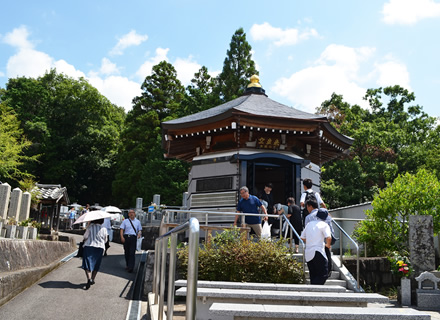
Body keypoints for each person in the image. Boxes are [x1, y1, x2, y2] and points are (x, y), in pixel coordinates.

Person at [300, 208, 332, 285]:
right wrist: (327, 245)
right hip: (318, 251)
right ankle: (315, 288)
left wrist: (311, 241)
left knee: (313, 274)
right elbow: (328, 237)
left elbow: (302, 237)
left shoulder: (309, 224)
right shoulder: (324, 225)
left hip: (308, 253)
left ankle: (313, 291)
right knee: (324, 273)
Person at [304, 199, 334, 277]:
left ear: (310, 206)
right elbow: (331, 228)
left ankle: (317, 279)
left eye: (307, 206)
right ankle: (328, 272)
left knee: (314, 266)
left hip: (314, 244)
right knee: (326, 258)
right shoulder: (327, 215)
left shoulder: (309, 217)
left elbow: (307, 231)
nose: (307, 208)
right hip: (326, 241)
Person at [81, 218, 108, 290]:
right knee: (96, 263)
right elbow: (105, 240)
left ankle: (89, 279)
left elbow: (85, 236)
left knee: (87, 263)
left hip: (89, 246)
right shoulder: (104, 229)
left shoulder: (90, 227)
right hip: (99, 247)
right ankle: (93, 279)